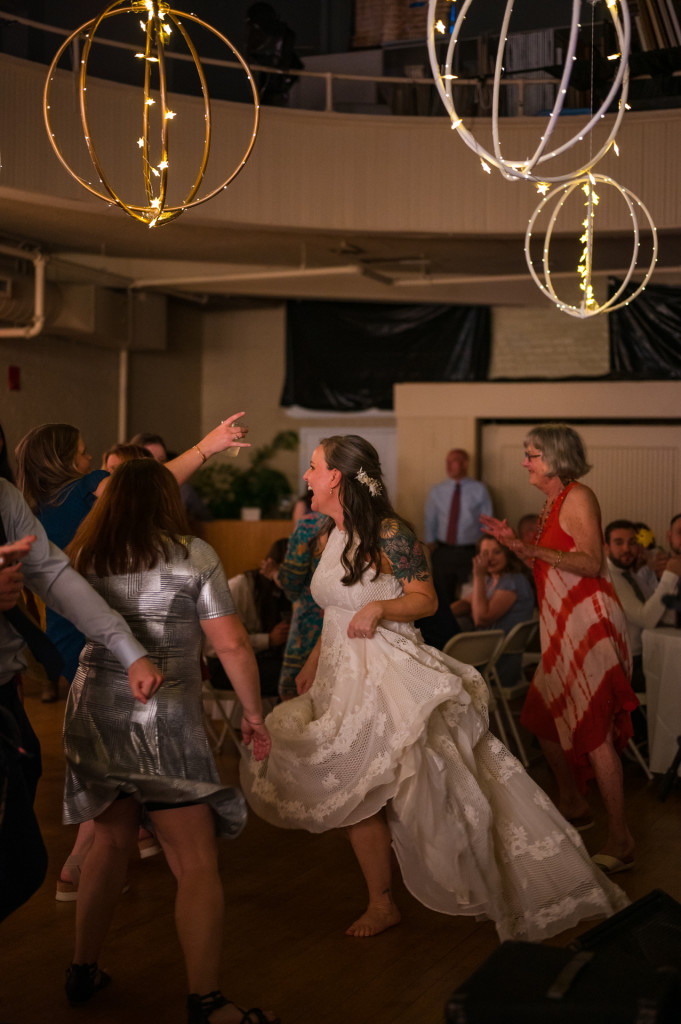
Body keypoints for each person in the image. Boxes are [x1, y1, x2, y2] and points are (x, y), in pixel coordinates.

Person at [240, 434, 628, 943]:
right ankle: (381, 901)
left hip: (388, 674)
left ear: (336, 476)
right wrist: (314, 659)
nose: (307, 478)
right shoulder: (333, 532)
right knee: (359, 791)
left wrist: (379, 608)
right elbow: (336, 607)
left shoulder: (391, 531)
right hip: (341, 675)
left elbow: (424, 600)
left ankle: (492, 875)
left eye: (313, 468)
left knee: (430, 788)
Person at [62, 459, 277, 1024]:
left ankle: (82, 969)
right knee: (196, 860)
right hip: (165, 716)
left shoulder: (85, 557)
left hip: (95, 709)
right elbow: (230, 645)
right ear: (166, 500)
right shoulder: (191, 555)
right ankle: (206, 1001)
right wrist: (252, 714)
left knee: (108, 844)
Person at [15, 414, 249, 897]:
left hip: (67, 633)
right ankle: (94, 857)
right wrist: (209, 446)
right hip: (110, 634)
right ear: (64, 460)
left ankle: (103, 853)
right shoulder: (90, 489)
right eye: (81, 451)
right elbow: (153, 484)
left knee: (107, 752)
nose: (88, 458)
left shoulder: (29, 506)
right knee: (135, 743)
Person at [481, 423, 639, 876]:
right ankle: (573, 805)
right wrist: (516, 545)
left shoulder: (578, 496)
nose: (525, 462)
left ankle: (621, 838)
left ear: (554, 459)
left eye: (531, 454)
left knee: (593, 733)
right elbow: (550, 557)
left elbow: (591, 562)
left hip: (589, 628)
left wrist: (531, 548)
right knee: (542, 721)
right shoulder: (551, 501)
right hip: (560, 631)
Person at [0, 479, 161, 923]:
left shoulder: (3, 497)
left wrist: (129, 651)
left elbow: (52, 574)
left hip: (5, 696)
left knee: (22, 862)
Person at [206, 538, 291, 698]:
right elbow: (218, 644)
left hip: (249, 658)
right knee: (289, 677)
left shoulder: (280, 595)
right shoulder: (240, 588)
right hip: (222, 665)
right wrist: (269, 640)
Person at [604, 519, 681, 693]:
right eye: (619, 542)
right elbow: (646, 619)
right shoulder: (610, 578)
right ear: (606, 547)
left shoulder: (630, 575)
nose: (627, 549)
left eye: (632, 542)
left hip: (643, 656)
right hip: (624, 665)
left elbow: (659, 611)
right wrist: (670, 574)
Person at [450, 534, 535, 690]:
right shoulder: (491, 580)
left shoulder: (513, 581)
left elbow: (481, 619)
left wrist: (478, 576)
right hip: (485, 656)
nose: (490, 558)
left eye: (497, 552)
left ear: (508, 553)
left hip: (497, 665)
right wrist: (438, 614)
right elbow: (466, 603)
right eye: (485, 553)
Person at [424, 448, 492, 604]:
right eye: (447, 462)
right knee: (442, 595)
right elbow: (430, 519)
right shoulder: (438, 490)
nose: (448, 466)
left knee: (469, 595)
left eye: (452, 462)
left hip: (470, 552)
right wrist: (430, 544)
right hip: (443, 551)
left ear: (465, 464)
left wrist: (485, 549)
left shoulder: (479, 490)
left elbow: (487, 521)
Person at [275, 508, 325, 699]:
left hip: (310, 619)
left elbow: (291, 578)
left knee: (296, 693)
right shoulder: (370, 521)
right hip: (355, 623)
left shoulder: (309, 525)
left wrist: (277, 576)